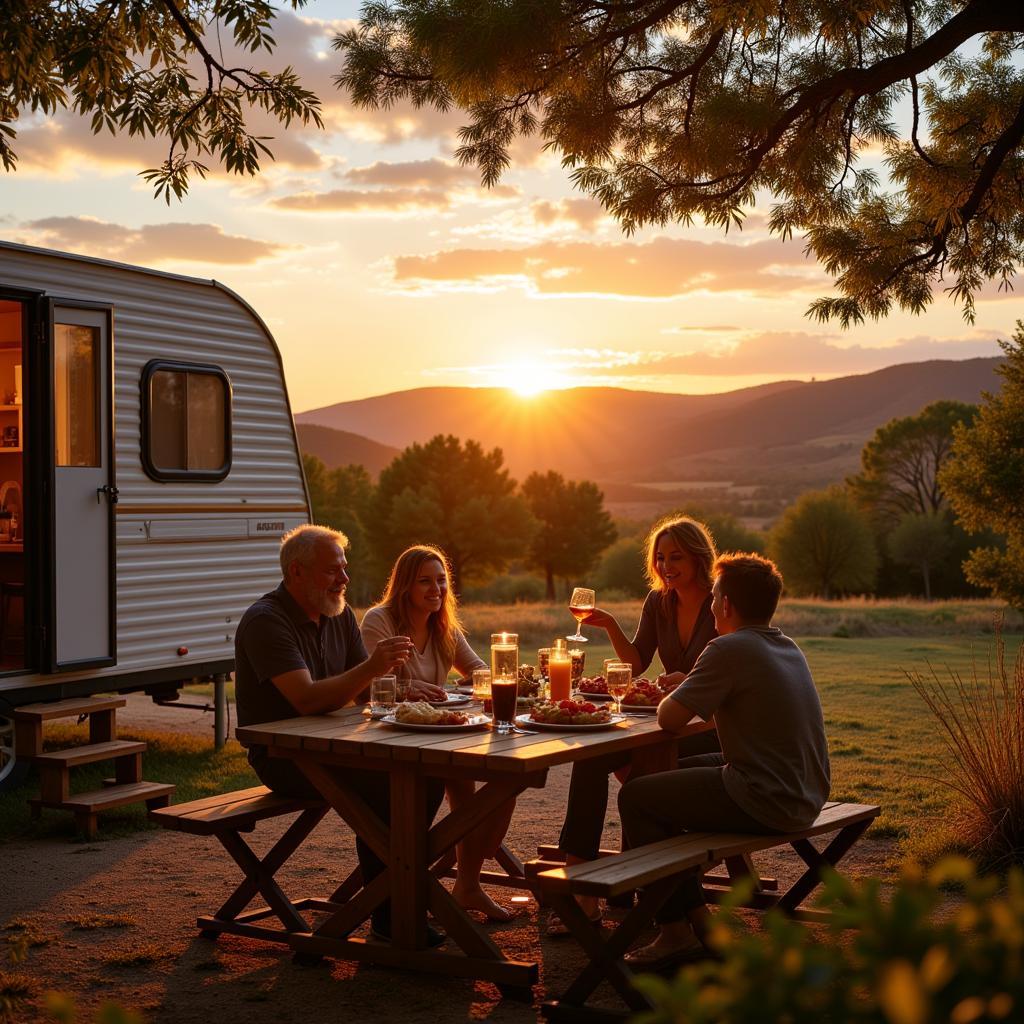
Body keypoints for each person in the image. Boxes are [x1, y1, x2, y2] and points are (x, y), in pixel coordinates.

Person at [234, 524, 446, 946]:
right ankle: (391, 916)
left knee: (426, 776)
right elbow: (307, 700)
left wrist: (405, 688)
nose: (345, 580)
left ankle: (393, 904)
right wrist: (374, 667)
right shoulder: (266, 622)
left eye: (344, 569)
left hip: (334, 746)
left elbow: (361, 687)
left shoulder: (339, 612)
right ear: (297, 572)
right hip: (284, 757)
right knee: (390, 784)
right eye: (333, 571)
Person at [617, 553, 830, 967]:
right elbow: (734, 705)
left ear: (727, 605)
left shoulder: (727, 648)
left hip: (766, 795)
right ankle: (698, 918)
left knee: (638, 797)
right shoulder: (784, 644)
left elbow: (668, 717)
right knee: (662, 776)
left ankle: (676, 930)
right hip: (804, 790)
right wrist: (695, 683)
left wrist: (685, 688)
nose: (711, 604)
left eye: (714, 596)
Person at [551, 516, 721, 931]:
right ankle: (582, 886)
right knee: (590, 757)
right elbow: (637, 664)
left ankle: (652, 886)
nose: (666, 566)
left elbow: (729, 669)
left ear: (699, 558)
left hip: (708, 728)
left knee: (645, 769)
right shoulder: (658, 602)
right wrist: (609, 624)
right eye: (660, 558)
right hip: (663, 719)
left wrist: (693, 681)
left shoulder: (722, 602)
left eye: (676, 557)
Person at [361, 544, 516, 922]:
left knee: (508, 773)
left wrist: (512, 679)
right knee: (468, 784)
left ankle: (468, 884)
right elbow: (370, 686)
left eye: (442, 581)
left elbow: (479, 670)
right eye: (425, 582)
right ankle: (454, 881)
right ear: (404, 587)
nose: (437, 590)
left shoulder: (443, 625)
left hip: (440, 732)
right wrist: (406, 689)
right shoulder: (379, 621)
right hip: (394, 737)